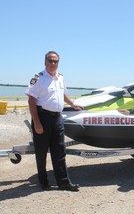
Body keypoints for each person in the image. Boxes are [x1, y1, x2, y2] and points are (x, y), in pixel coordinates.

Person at [25, 51, 83, 191]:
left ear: (58, 63)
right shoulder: (38, 78)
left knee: (60, 151)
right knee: (41, 152)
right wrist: (37, 123)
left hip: (57, 117)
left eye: (55, 61)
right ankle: (43, 182)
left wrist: (72, 104)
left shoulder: (60, 77)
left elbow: (62, 94)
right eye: (50, 61)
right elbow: (31, 101)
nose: (52, 64)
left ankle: (63, 182)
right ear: (45, 62)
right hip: (42, 118)